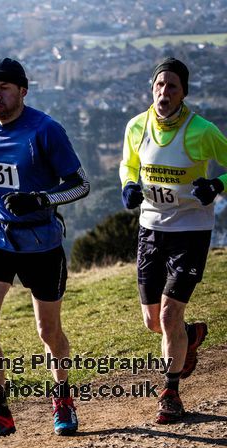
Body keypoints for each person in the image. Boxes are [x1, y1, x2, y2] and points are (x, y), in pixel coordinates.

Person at [0, 58, 90, 444]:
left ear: (23, 91)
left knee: (48, 331)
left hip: (41, 243)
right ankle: (0, 414)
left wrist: (39, 199)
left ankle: (64, 398)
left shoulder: (46, 130)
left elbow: (79, 185)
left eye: (4, 87)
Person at [120, 57, 227, 424]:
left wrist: (216, 185)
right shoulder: (137, 126)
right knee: (154, 321)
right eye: (159, 85)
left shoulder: (202, 130)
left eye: (173, 87)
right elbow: (128, 164)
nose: (164, 93)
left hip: (190, 230)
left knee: (169, 313)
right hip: (151, 229)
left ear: (184, 93)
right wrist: (129, 186)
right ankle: (189, 337)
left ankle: (170, 393)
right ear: (152, 88)